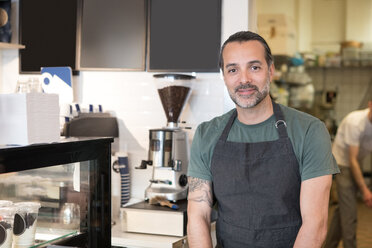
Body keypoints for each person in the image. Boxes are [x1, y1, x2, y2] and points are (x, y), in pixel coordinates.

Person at [186, 31, 340, 248]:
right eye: (233, 70)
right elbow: (198, 215)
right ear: (224, 76)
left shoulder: (309, 131)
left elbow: (316, 224)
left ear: (271, 70)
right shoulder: (206, 135)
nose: (244, 79)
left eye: (254, 67)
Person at [323, 97, 372, 248]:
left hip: (357, 162)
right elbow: (352, 160)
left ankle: (329, 245)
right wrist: (365, 191)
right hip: (342, 164)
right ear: (370, 105)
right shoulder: (355, 122)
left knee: (343, 211)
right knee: (349, 214)